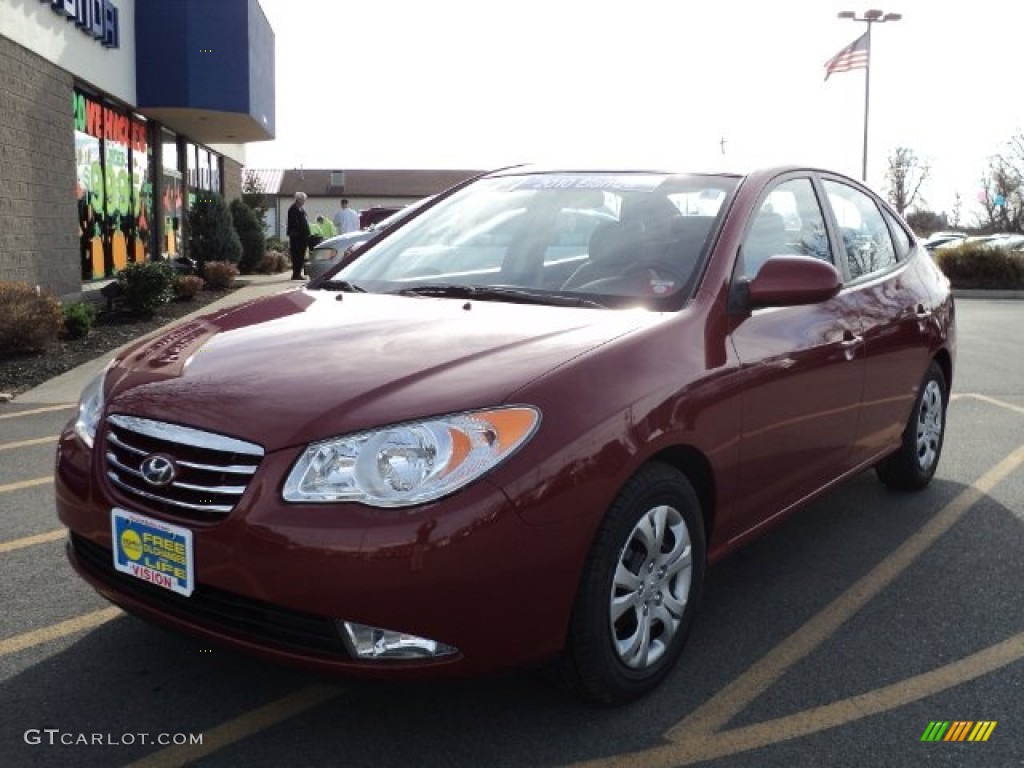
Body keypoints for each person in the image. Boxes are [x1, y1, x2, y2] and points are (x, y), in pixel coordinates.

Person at [286, 192, 311, 279]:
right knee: (297, 255)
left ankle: (298, 273)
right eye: (303, 200)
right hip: (297, 237)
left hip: (302, 236)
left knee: (301, 256)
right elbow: (295, 224)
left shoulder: (301, 209)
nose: (304, 201)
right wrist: (301, 232)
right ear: (298, 199)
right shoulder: (293, 209)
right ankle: (296, 274)